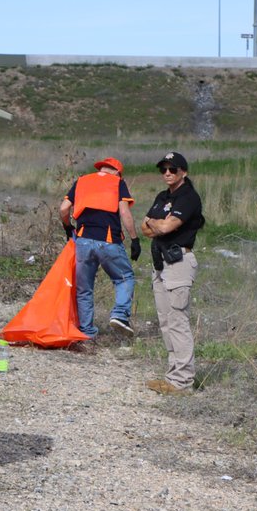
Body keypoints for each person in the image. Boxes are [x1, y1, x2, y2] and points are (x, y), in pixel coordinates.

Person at [141, 151, 204, 394]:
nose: (167, 173)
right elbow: (144, 227)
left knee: (178, 321)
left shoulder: (189, 197)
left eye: (173, 169)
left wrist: (157, 224)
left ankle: (183, 381)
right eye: (164, 169)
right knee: (165, 321)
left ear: (183, 172)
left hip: (179, 262)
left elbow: (166, 226)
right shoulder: (162, 196)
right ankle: (172, 376)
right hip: (160, 263)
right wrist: (158, 225)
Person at [59, 157, 139, 339]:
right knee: (124, 277)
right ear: (118, 173)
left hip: (83, 241)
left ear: (101, 169)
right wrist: (134, 239)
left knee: (84, 288)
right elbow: (125, 212)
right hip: (108, 241)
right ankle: (119, 314)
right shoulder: (118, 183)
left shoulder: (81, 181)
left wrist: (67, 227)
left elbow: (64, 209)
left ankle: (86, 333)